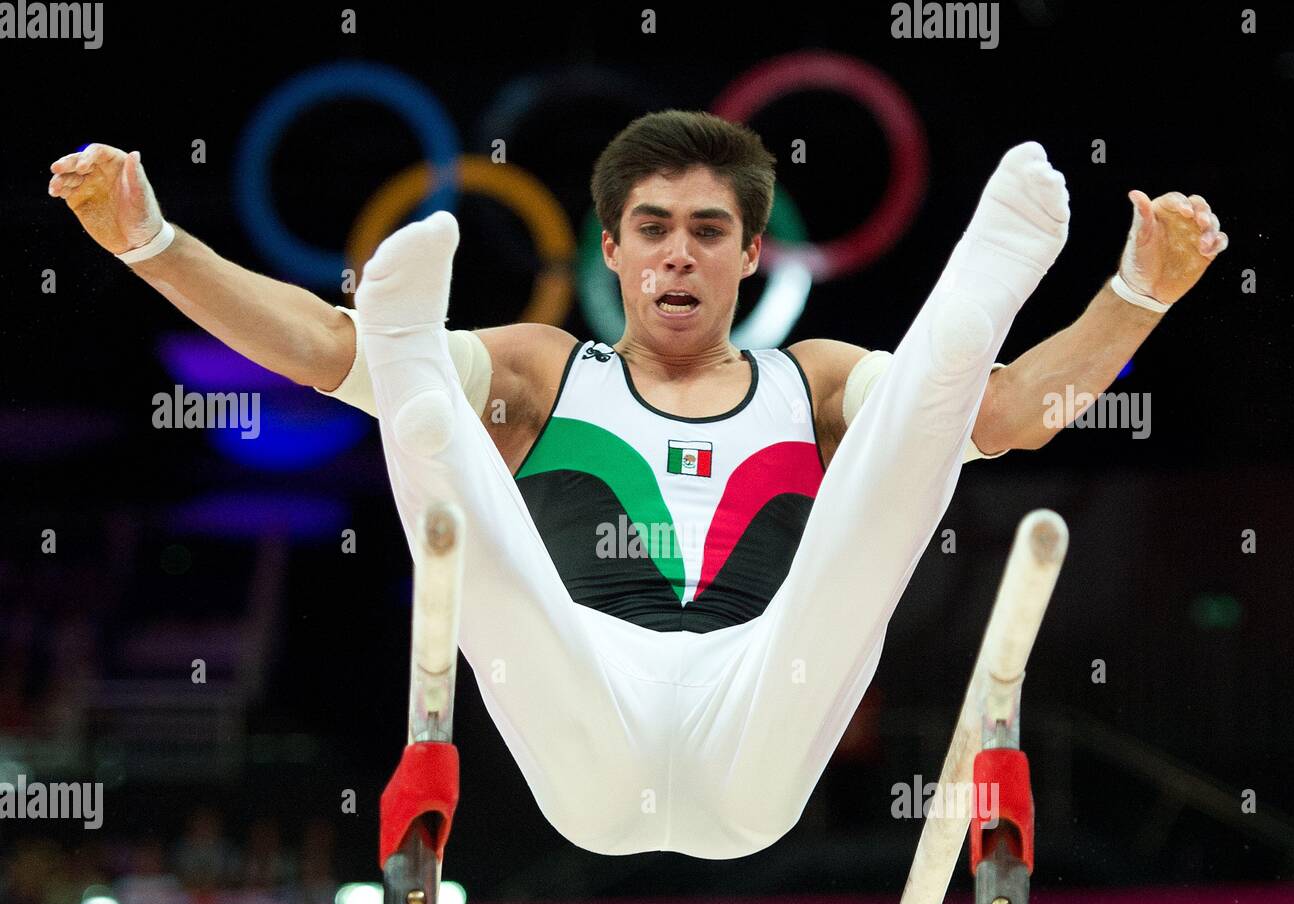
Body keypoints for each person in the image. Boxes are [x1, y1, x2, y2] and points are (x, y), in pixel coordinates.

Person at [50, 111, 1227, 859]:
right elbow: (315, 346)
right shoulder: (538, 373)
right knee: (454, 503)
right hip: (587, 701)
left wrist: (1136, 294)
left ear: (751, 253)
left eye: (709, 230)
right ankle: (409, 349)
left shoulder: (805, 383)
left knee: (905, 458)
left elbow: (1009, 413)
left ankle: (973, 299)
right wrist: (151, 241)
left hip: (762, 692)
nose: (678, 251)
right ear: (608, 247)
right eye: (651, 226)